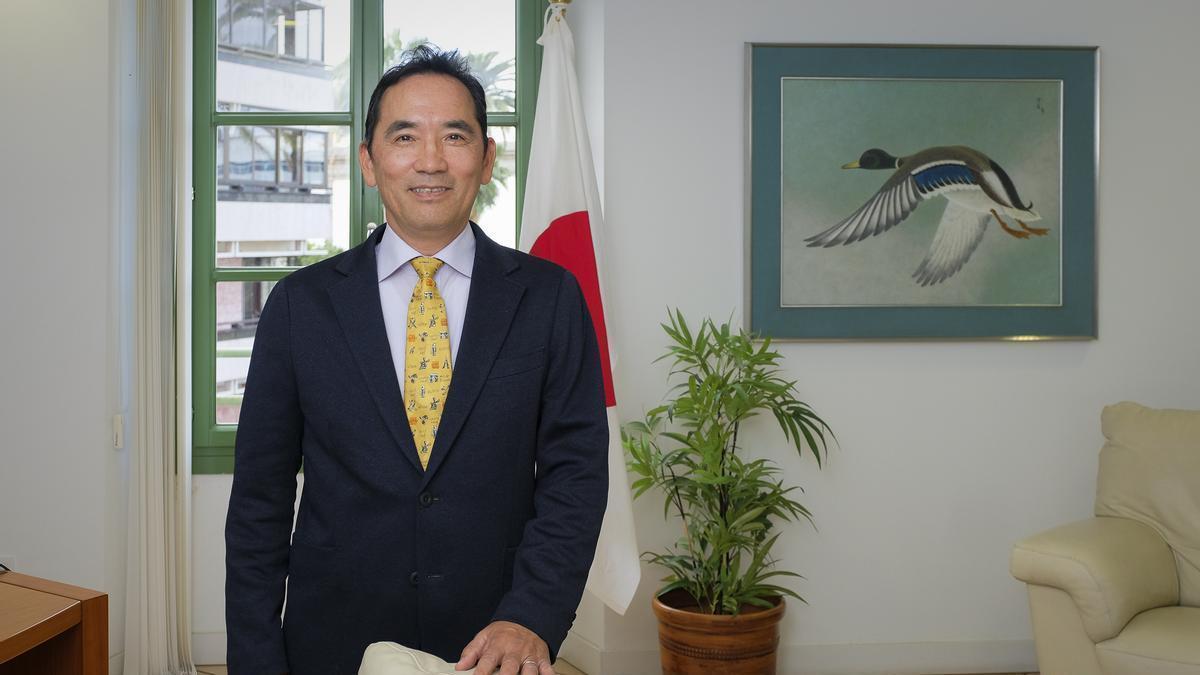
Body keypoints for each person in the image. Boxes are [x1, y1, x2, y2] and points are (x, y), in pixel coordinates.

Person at [225, 45, 609, 675]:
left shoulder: (548, 297)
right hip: (332, 642)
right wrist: (256, 660)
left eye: (455, 136)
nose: (431, 160)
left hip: (491, 644)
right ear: (369, 163)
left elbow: (576, 474)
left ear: (486, 160)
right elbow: (258, 503)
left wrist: (533, 612)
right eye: (405, 136)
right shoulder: (301, 305)